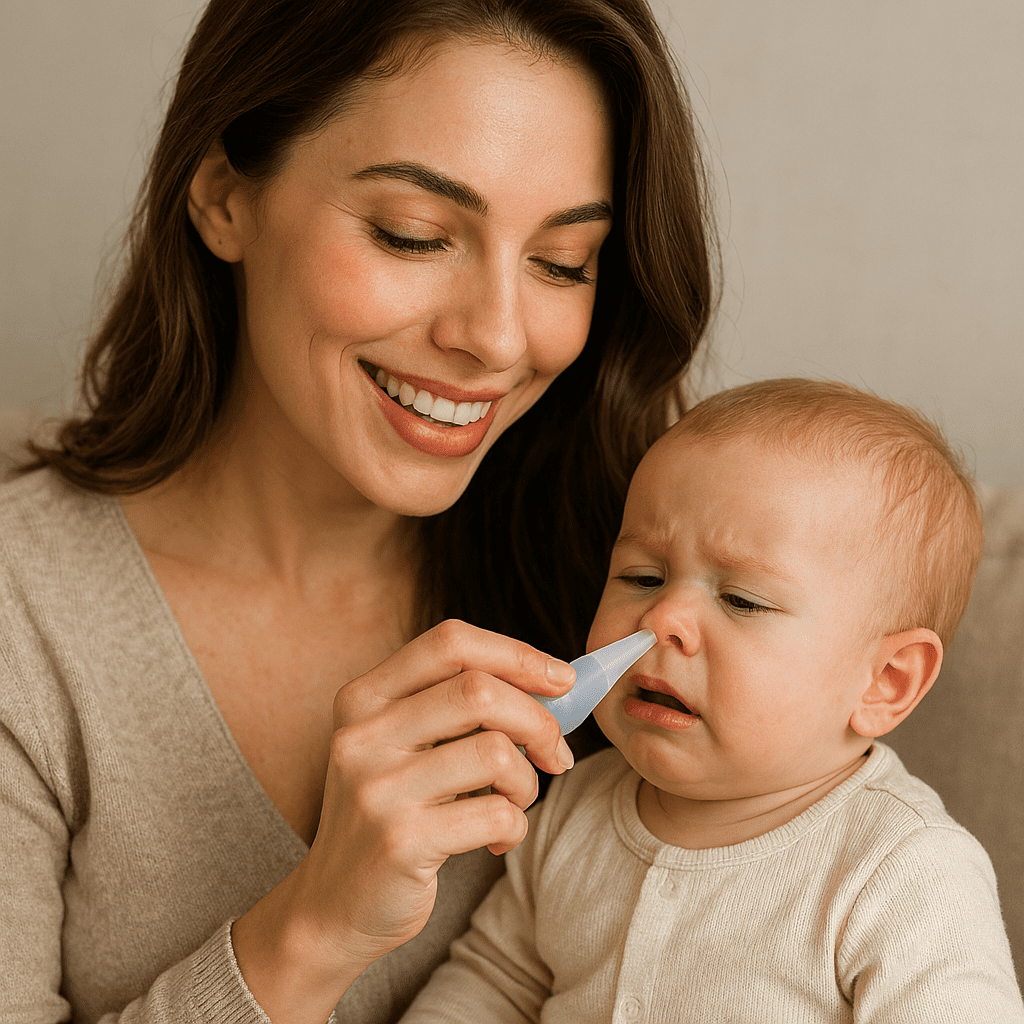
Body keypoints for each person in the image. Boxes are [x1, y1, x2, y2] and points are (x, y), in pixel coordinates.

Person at [0, 0, 717, 1021]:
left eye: (562, 261)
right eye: (413, 234)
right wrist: (313, 930)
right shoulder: (23, 619)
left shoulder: (629, 586)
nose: (497, 338)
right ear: (223, 197)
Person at [399, 378, 1024, 1024]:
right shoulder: (574, 810)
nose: (662, 617)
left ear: (885, 682)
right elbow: (495, 983)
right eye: (642, 577)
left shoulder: (905, 871)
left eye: (741, 600)